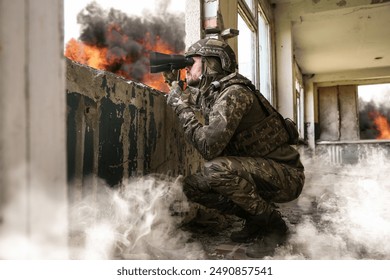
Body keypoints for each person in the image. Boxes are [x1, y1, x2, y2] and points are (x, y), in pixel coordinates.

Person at [164, 35, 305, 257]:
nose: (187, 67)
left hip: (287, 176)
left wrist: (180, 106)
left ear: (212, 62)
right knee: (191, 186)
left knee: (215, 169)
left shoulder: (234, 94)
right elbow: (194, 100)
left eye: (191, 62)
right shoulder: (217, 93)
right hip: (263, 173)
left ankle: (273, 225)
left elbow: (208, 147)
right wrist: (174, 85)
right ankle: (254, 218)